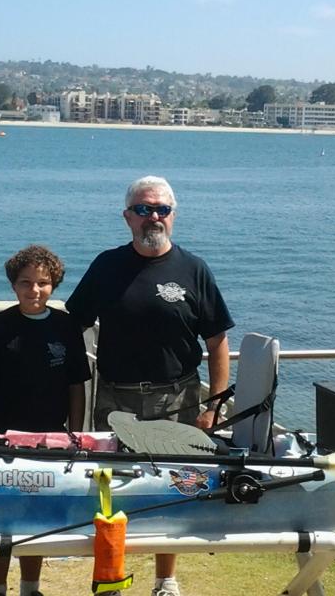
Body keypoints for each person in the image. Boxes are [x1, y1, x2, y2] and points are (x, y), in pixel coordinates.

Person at [66, 176, 233, 596]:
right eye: (143, 209)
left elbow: (217, 342)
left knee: (174, 485)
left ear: (173, 216)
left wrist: (214, 404)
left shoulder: (194, 269)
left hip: (177, 396)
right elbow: (72, 325)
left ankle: (166, 578)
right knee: (110, 486)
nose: (152, 217)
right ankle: (111, 573)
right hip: (115, 397)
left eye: (160, 209)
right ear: (127, 217)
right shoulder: (106, 265)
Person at [0, 244, 90, 596]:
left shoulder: (67, 327)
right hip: (0, 437)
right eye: (25, 283)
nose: (34, 290)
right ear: (13, 285)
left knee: (35, 515)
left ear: (54, 286)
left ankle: (30, 587)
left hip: (49, 439)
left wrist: (76, 436)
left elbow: (76, 386)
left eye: (42, 283)